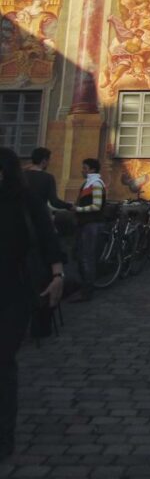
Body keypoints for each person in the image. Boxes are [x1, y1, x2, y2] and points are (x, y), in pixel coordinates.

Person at [0, 147, 64, 462]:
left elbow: (48, 237)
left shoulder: (26, 203)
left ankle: (4, 436)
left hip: (14, 290)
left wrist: (57, 274)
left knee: (3, 360)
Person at [72, 157, 106, 301]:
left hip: (92, 223)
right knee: (82, 256)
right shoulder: (88, 183)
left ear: (92, 170)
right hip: (86, 223)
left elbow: (97, 205)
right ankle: (85, 287)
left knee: (87, 258)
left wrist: (78, 209)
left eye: (85, 168)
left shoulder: (96, 184)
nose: (83, 170)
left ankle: (87, 291)